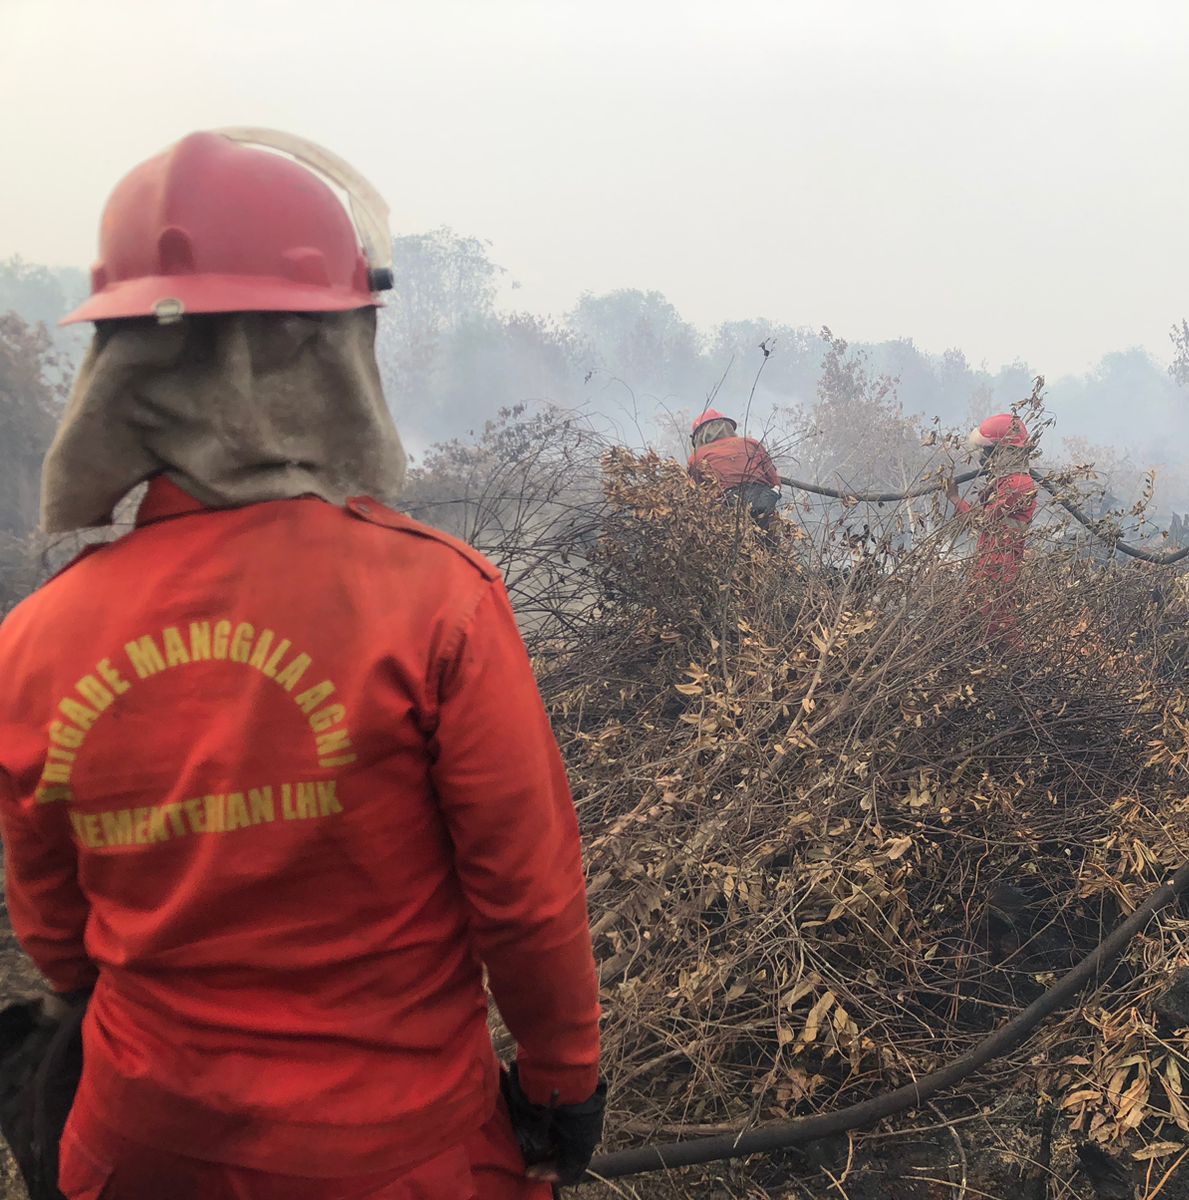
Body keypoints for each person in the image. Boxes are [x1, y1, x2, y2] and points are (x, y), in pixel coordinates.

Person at [0, 130, 603, 1199]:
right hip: (397, 1162)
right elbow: (527, 901)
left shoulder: (32, 642)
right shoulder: (433, 600)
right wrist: (560, 1089)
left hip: (135, 1156)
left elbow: (57, 937)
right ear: (328, 351)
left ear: (122, 367)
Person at [946, 414, 1039, 642]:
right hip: (991, 558)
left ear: (1005, 450)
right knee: (971, 618)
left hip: (1000, 564)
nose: (984, 458)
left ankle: (1015, 671)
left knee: (996, 624)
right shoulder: (1007, 480)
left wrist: (955, 499)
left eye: (989, 451)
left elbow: (982, 521)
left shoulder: (1018, 484)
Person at [686, 408, 782, 532]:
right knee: (765, 541)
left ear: (699, 436)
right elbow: (775, 481)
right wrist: (772, 494)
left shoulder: (697, 457)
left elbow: (694, 494)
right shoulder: (752, 443)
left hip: (726, 504)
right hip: (762, 498)